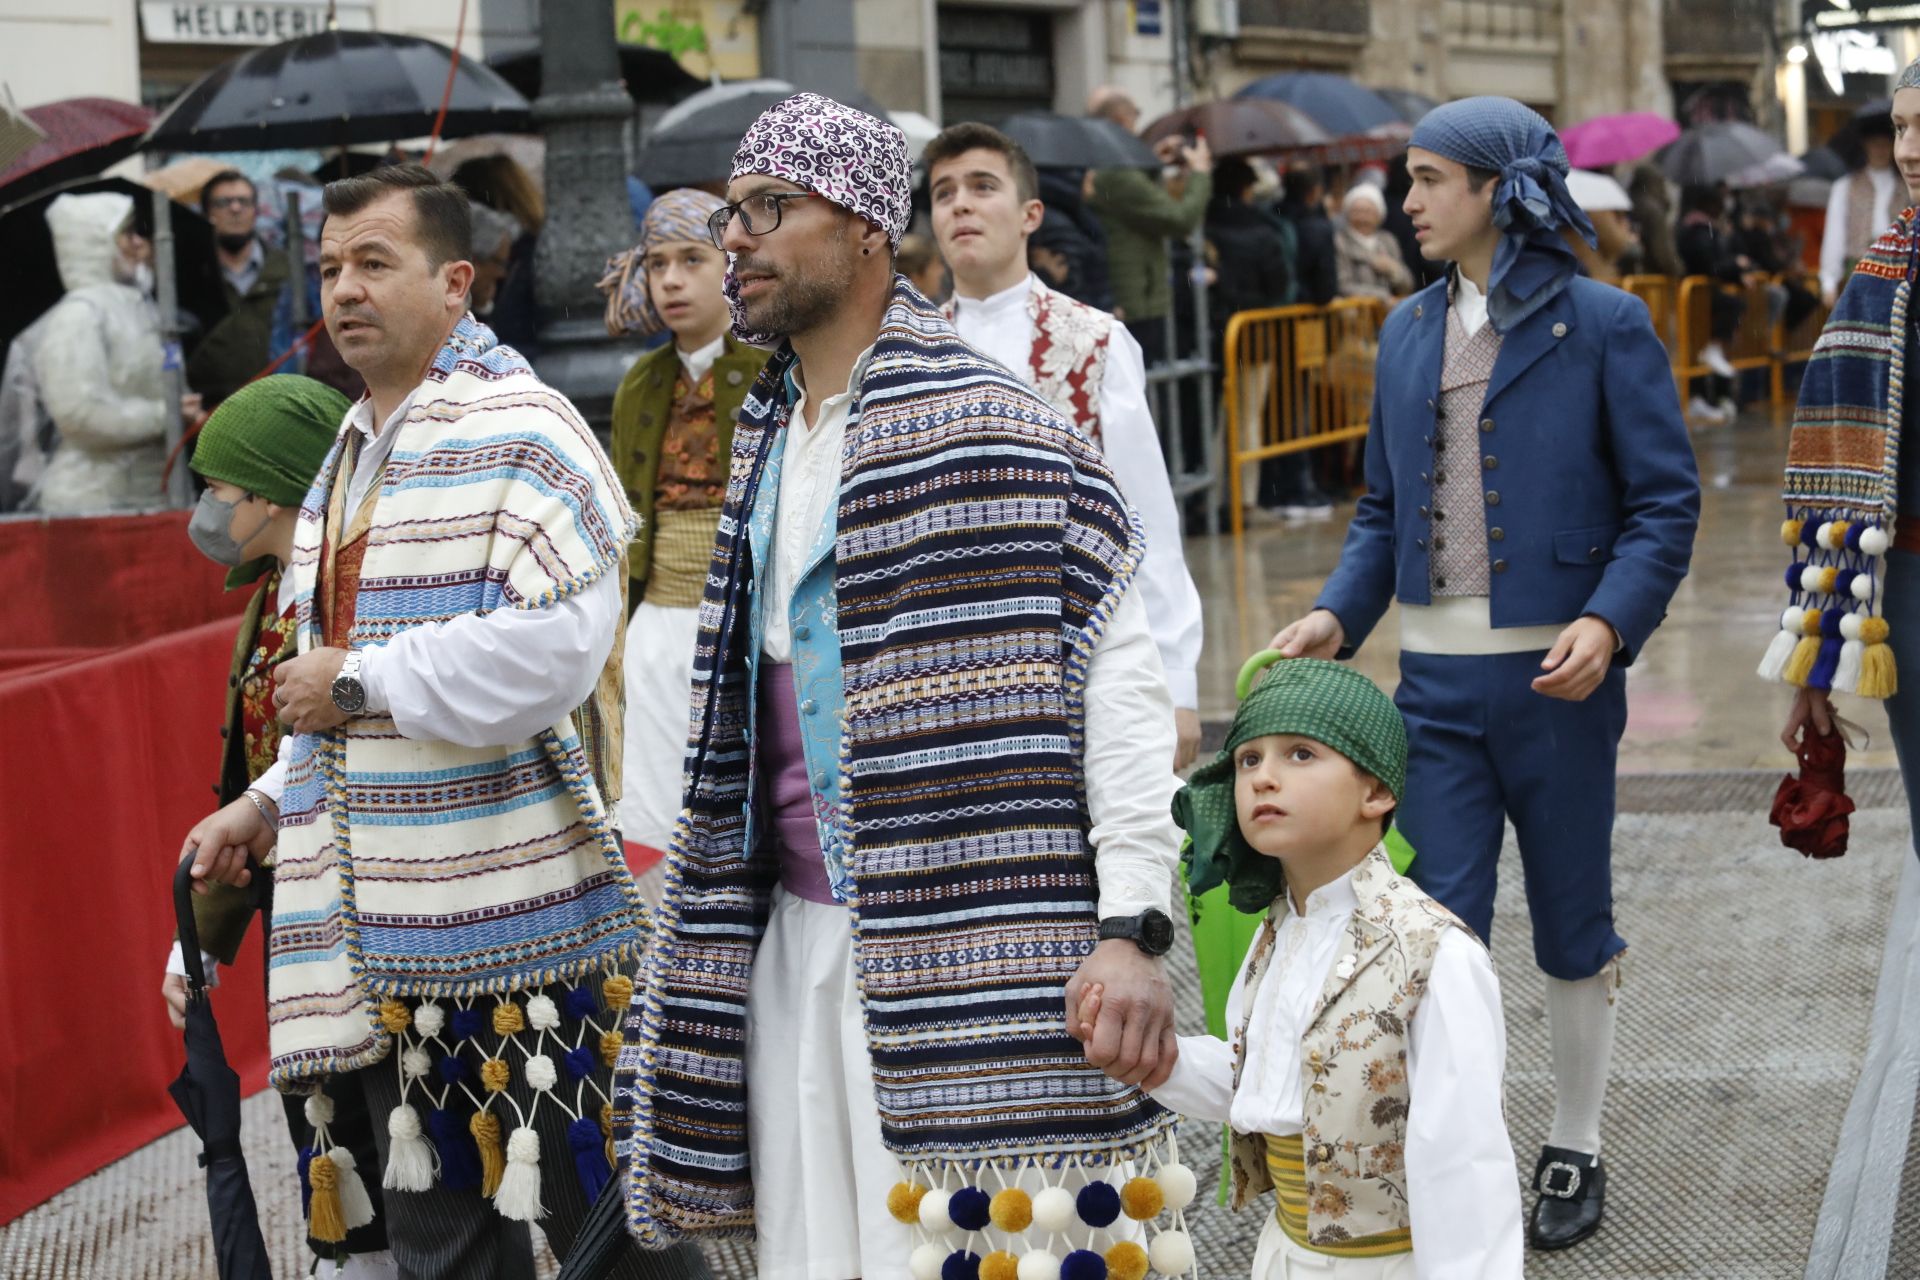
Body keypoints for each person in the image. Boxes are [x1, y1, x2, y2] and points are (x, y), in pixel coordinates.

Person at [615, 94, 1187, 1278]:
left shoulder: (993, 424)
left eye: (773, 210)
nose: (739, 241)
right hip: (792, 946)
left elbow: (1114, 685)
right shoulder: (769, 429)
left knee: (968, 1250)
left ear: (869, 226)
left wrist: (1132, 923)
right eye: (733, 214)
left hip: (977, 943)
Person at [180, 163, 706, 1280]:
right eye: (329, 268)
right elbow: (330, 699)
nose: (345, 290)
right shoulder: (344, 454)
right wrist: (268, 803)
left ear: (456, 280)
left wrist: (364, 679)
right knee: (443, 1249)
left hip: (511, 929)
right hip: (377, 945)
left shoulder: (525, 424)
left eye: (375, 262)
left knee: (611, 1234)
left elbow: (557, 651)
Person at [1266, 97, 1700, 1252]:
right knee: (1430, 925)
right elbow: (1380, 508)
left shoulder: (1604, 323)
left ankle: (1576, 1135)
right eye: (1405, 181)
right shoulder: (1407, 329)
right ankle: (1454, 1143)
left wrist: (1609, 623)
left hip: (1560, 685)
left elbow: (1666, 501)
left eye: (1427, 180)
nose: (1406, 201)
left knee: (1571, 920)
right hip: (1434, 694)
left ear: (1500, 191)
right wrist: (1333, 613)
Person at [1085, 653, 1523, 1279]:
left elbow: (1465, 1163)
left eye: (1300, 754)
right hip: (1285, 1256)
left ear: (1376, 791)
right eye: (1248, 759)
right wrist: (1150, 1056)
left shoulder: (1436, 953)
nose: (1264, 777)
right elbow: (1255, 1080)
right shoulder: (1278, 934)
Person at [155, 374, 399, 1280]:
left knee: (399, 1139)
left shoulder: (351, 597)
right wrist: (203, 941)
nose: (210, 511)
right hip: (299, 920)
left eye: (219, 490)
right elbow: (246, 786)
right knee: (325, 1131)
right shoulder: (271, 599)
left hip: (378, 910)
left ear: (270, 491)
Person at [925, 122, 1206, 771]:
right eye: (944, 193)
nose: (960, 204)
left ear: (1031, 215)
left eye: (981, 186)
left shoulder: (1095, 342)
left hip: (1078, 642)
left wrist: (1176, 681)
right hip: (949, 660)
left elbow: (1147, 518)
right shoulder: (905, 353)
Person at [1784, 70, 1920, 1280]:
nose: (1918, 148)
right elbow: (1831, 493)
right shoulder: (1875, 282)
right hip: (1912, 606)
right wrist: (1813, 658)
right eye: (1910, 129)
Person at [604, 188, 769, 868]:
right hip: (657, 622)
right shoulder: (641, 384)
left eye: (692, 260)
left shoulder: (773, 367)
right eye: (658, 263)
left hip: (745, 622)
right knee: (651, 809)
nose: (671, 279)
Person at [30, 190, 199, 513]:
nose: (139, 242)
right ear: (94, 242)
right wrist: (168, 415)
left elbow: (163, 382)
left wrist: (184, 407)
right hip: (92, 504)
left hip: (152, 493)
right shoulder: (80, 315)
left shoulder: (143, 308)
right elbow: (79, 414)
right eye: (126, 233)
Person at [1084, 87, 1213, 353]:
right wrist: (1200, 173)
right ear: (1121, 120)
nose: (1136, 127)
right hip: (1133, 300)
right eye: (1135, 117)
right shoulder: (1116, 172)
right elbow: (1178, 219)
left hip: (1132, 293)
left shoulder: (1102, 162)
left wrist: (1152, 161)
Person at [187, 170, 293, 409]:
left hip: (279, 404)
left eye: (244, 201)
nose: (235, 209)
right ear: (207, 213)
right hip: (211, 409)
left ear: (256, 211)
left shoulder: (286, 270)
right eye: (223, 202)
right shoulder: (192, 276)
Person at [1820, 112, 1900, 306]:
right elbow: (1835, 233)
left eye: (1885, 144)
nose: (1880, 150)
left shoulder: (1907, 186)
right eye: (1875, 144)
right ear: (1865, 146)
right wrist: (1829, 281)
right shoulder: (1845, 186)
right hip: (1859, 267)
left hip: (1899, 270)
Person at [1334, 185, 1415, 301]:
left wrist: (1393, 270)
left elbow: (1408, 285)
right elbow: (1342, 285)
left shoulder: (1388, 240)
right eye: (1356, 212)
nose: (1362, 218)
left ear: (1379, 215)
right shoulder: (1340, 241)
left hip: (1390, 314)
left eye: (1368, 212)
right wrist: (1382, 297)